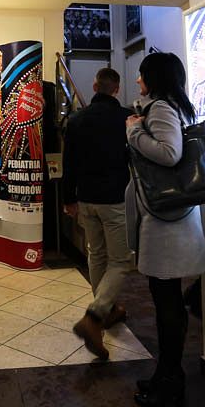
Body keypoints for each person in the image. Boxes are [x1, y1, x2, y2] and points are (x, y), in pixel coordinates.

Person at [125, 53, 205, 407]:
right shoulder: (175, 106)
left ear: (154, 78)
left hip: (166, 221)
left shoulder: (161, 108)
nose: (138, 81)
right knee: (167, 302)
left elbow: (169, 153)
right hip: (175, 217)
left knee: (167, 304)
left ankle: (171, 381)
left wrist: (133, 130)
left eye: (142, 75)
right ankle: (166, 375)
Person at [62, 67, 134, 359]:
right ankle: (94, 316)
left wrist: (69, 199)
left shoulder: (76, 119)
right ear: (117, 89)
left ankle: (107, 308)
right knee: (121, 261)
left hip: (86, 198)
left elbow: (69, 162)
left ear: (95, 86)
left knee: (96, 254)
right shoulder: (126, 118)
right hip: (114, 199)